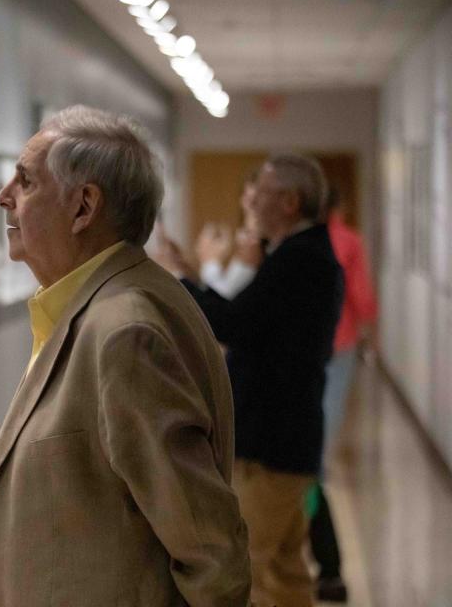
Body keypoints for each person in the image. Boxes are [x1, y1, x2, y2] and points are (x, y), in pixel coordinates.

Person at [0, 106, 251, 606]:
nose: (3, 196)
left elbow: (210, 553)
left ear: (83, 207)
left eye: (25, 181)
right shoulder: (101, 307)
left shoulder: (125, 333)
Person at [159, 154, 343, 607]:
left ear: (288, 202)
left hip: (271, 446)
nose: (249, 201)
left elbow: (234, 323)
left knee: (252, 570)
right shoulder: (304, 256)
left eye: (257, 191)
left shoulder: (298, 261)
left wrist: (179, 278)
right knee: (285, 570)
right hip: (289, 441)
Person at [309, 186, 378, 603]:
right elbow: (360, 292)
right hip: (342, 342)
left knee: (308, 415)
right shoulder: (349, 240)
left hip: (307, 345)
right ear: (340, 207)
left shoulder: (301, 241)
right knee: (325, 417)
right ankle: (314, 473)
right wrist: (371, 329)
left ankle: (311, 477)